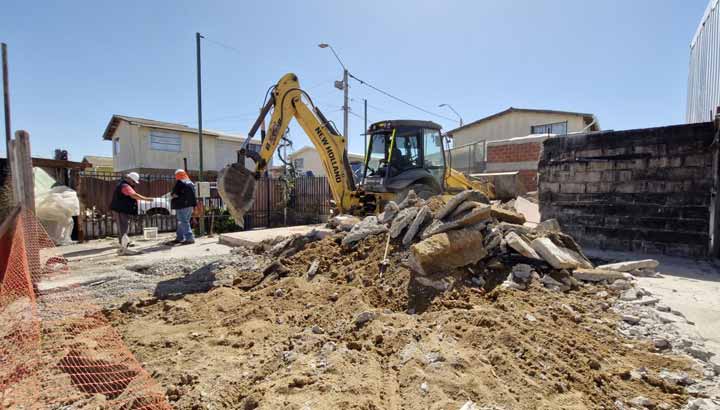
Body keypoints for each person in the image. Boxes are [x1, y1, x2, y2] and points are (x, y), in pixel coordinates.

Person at [109, 172, 152, 255]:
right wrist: (146, 199)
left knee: (123, 227)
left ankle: (123, 244)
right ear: (129, 179)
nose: (134, 184)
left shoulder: (124, 185)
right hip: (120, 210)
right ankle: (124, 248)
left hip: (121, 209)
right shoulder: (125, 186)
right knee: (123, 228)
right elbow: (133, 195)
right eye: (133, 182)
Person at [170, 169, 197, 245]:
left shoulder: (180, 182)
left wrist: (172, 195)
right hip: (190, 205)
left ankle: (189, 238)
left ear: (177, 175)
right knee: (183, 222)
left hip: (181, 205)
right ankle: (180, 237)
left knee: (183, 222)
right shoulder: (190, 183)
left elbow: (175, 194)